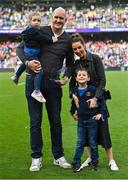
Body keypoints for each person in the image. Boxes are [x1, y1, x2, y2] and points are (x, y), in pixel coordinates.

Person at [16, 7, 74, 171]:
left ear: (65, 20)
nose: (57, 21)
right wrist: (27, 63)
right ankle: (36, 157)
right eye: (56, 17)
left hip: (54, 85)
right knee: (35, 122)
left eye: (61, 18)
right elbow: (20, 48)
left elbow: (70, 64)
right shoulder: (39, 30)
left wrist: (66, 78)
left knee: (56, 122)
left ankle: (58, 156)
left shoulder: (67, 40)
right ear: (52, 18)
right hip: (33, 82)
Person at [69, 34, 119, 171]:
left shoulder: (95, 58)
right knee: (85, 134)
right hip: (83, 104)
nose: (78, 50)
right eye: (75, 49)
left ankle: (111, 160)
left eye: (79, 47)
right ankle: (90, 158)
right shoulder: (76, 64)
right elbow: (72, 84)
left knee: (104, 131)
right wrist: (72, 95)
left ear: (84, 45)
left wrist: (96, 98)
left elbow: (102, 80)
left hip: (98, 101)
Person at [11, 12, 58, 103]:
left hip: (30, 53)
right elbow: (42, 37)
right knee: (39, 71)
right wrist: (52, 39)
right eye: (34, 20)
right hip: (32, 54)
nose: (37, 22)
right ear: (29, 21)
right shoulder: (34, 31)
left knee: (25, 64)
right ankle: (36, 91)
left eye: (38, 20)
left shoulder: (31, 30)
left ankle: (16, 76)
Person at [70, 67, 105, 173]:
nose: (81, 76)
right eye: (79, 75)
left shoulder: (92, 90)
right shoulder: (75, 91)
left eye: (84, 75)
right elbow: (73, 104)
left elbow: (101, 101)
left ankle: (94, 162)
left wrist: (100, 113)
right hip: (81, 121)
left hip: (92, 121)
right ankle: (76, 162)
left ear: (88, 78)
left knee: (92, 142)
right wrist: (72, 113)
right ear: (76, 78)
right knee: (80, 142)